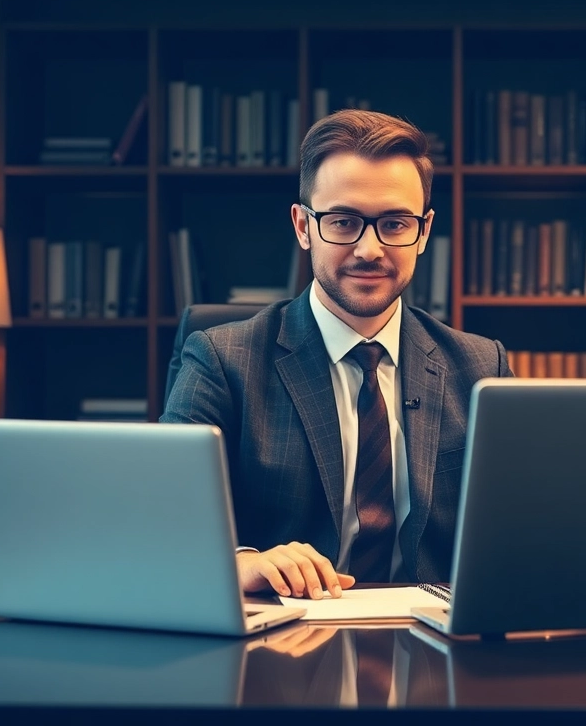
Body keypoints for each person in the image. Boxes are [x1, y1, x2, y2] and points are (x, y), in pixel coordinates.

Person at [162, 109, 512, 600]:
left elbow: (513, 533)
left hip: (433, 648)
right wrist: (241, 564)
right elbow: (163, 523)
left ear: (424, 231)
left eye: (394, 223)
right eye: (344, 222)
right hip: (282, 647)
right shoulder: (222, 360)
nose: (370, 249)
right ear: (303, 226)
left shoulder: (481, 367)